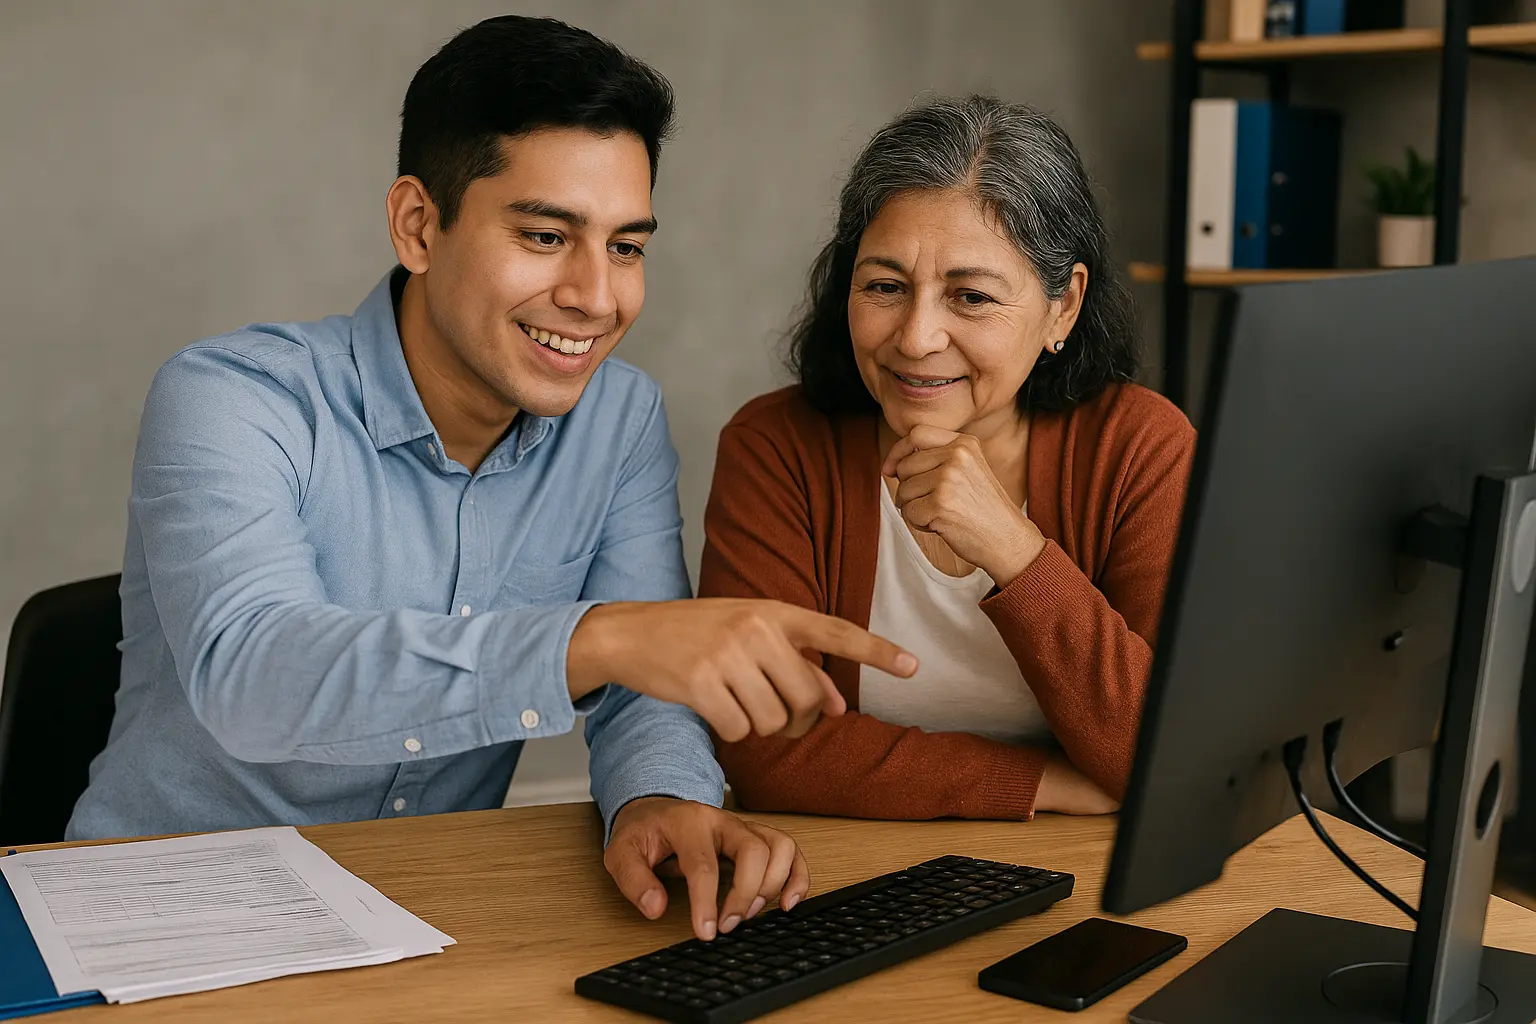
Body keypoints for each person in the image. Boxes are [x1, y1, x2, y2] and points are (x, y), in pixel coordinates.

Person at [67, 16, 918, 945]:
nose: (598, 297)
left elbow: (645, 690)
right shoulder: (232, 397)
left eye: (627, 247)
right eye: (548, 236)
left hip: (425, 910)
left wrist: (659, 798)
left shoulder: (620, 420)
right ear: (418, 225)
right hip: (155, 915)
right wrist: (594, 640)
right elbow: (257, 676)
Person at [701, 95, 1195, 821]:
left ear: (1063, 307)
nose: (917, 336)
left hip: (1092, 875)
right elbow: (763, 745)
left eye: (969, 296)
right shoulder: (776, 447)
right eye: (885, 287)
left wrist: (1017, 552)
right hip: (847, 877)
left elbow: (1172, 753)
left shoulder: (1140, 450)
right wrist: (1041, 786)